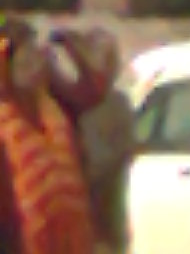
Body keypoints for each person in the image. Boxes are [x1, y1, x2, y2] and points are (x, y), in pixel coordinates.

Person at [0, 20, 106, 254]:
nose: (34, 68)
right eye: (25, 62)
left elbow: (92, 92)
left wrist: (74, 51)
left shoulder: (55, 105)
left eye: (37, 58)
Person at [67, 31, 131, 254]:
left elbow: (123, 151)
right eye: (104, 58)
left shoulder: (120, 104)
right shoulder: (74, 104)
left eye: (113, 59)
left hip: (110, 211)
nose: (111, 66)